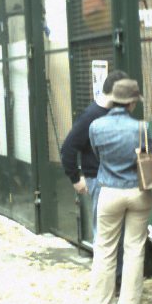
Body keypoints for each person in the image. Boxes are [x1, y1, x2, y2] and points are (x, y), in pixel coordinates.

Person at [88, 79, 152, 304]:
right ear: (133, 102)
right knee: (135, 247)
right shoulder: (143, 128)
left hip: (109, 190)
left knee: (104, 247)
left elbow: (97, 154)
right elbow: (148, 155)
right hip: (138, 191)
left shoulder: (96, 126)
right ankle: (129, 303)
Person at [61, 70, 128, 283]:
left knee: (113, 234)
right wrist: (75, 178)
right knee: (105, 234)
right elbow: (68, 148)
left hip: (111, 179)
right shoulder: (92, 115)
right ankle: (106, 283)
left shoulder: (108, 112)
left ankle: (115, 281)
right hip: (97, 178)